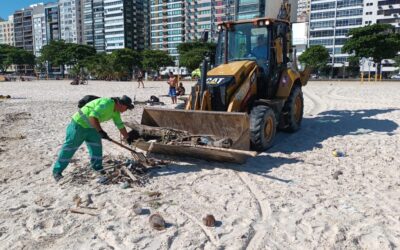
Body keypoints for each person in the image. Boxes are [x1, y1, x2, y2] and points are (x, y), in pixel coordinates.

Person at [52, 95, 134, 182]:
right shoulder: (107, 103)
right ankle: (57, 171)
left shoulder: (116, 112)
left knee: (96, 147)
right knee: (70, 148)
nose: (126, 110)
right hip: (79, 124)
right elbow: (92, 117)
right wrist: (101, 131)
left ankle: (97, 168)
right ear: (121, 104)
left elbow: (120, 125)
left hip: (92, 126)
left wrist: (127, 137)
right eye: (127, 108)